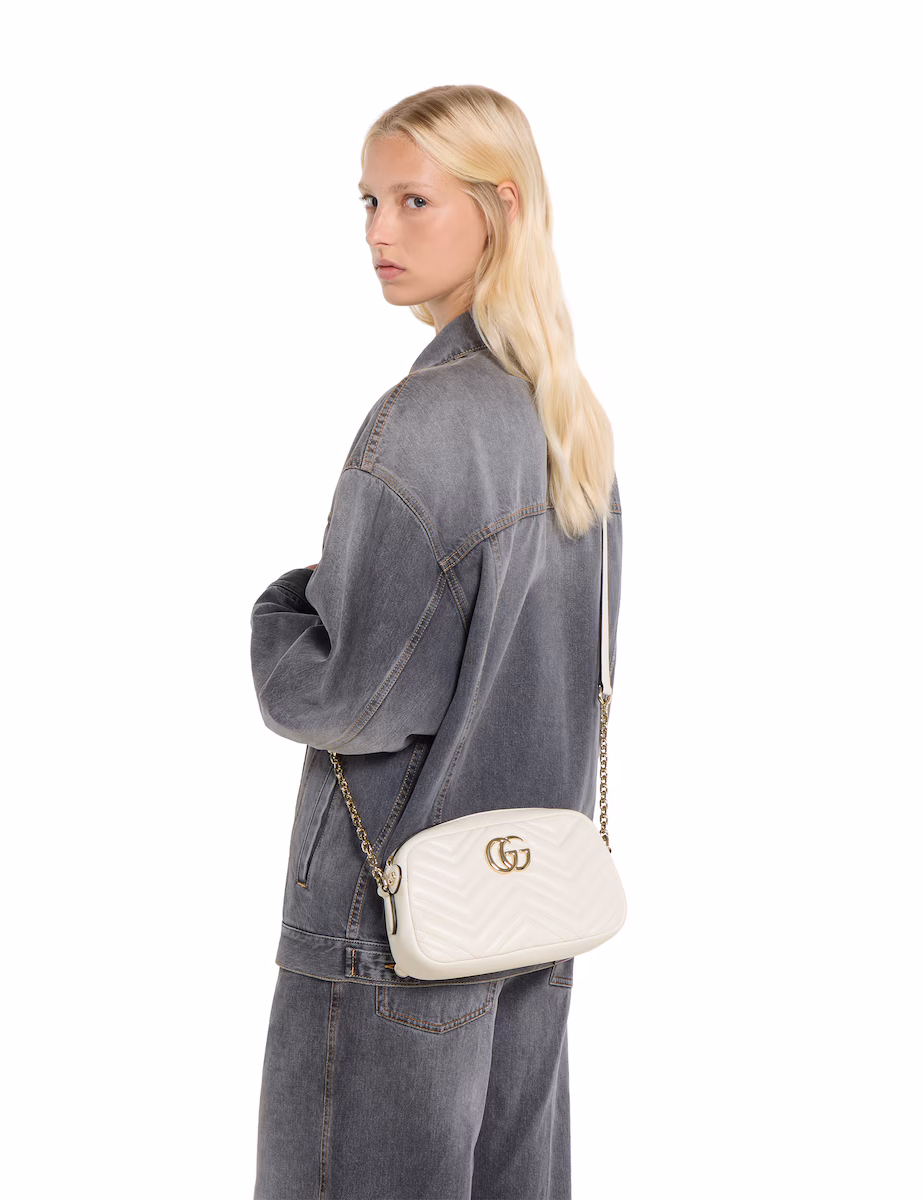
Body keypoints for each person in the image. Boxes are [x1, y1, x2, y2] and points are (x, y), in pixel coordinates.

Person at [249, 84, 622, 1200]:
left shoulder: (426, 421)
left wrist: (282, 616)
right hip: (528, 907)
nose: (380, 231)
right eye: (369, 201)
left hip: (392, 919)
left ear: (500, 207)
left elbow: (351, 695)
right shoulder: (567, 419)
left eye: (415, 201)